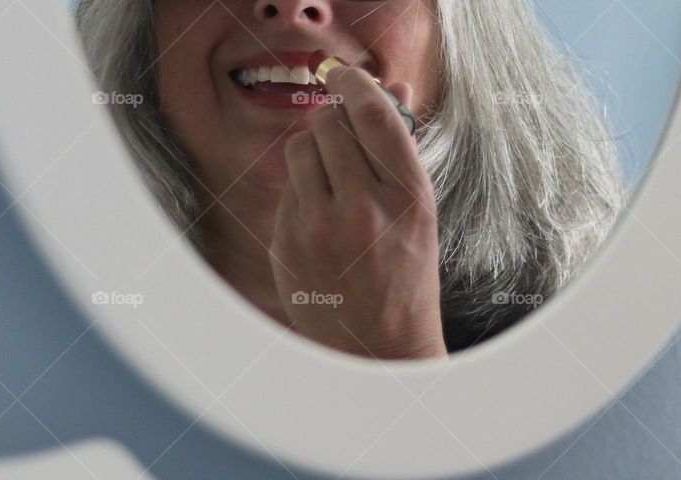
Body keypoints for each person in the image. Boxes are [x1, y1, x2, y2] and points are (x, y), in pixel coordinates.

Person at [75, 0, 625, 358]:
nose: (292, 8)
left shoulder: (590, 350)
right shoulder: (42, 325)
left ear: (462, 38)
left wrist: (390, 346)